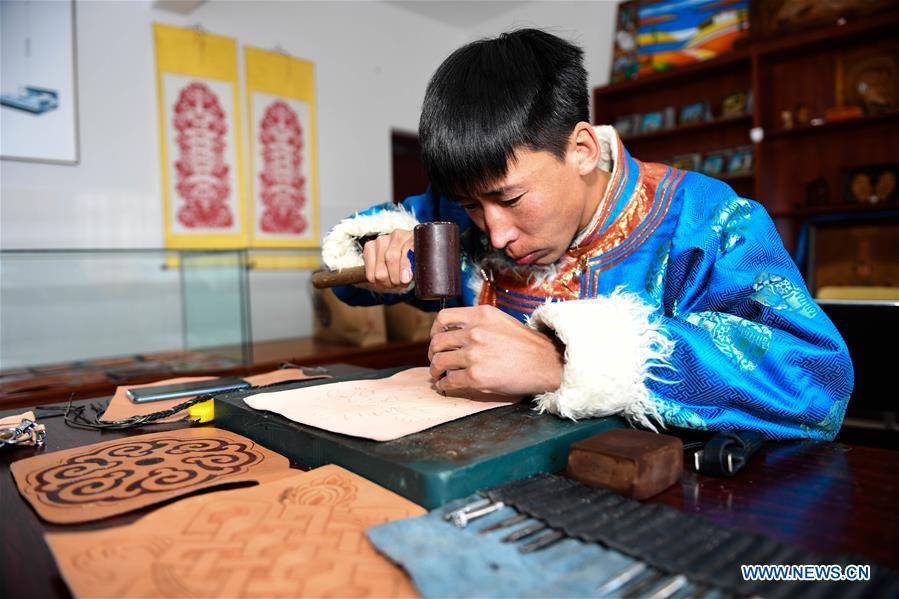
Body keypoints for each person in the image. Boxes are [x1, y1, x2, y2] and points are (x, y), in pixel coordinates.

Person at [320, 28, 853, 440]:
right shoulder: (455, 213)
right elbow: (345, 274)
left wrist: (561, 363)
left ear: (581, 149)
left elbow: (817, 381)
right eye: (472, 206)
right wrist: (380, 251)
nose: (496, 233)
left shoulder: (706, 221)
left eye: (511, 199)